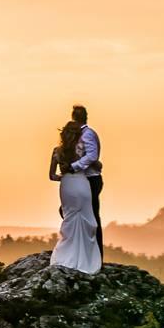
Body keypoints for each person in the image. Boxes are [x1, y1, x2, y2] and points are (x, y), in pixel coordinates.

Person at [48, 120, 102, 274]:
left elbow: (52, 176)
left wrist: (64, 178)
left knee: (69, 219)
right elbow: (97, 166)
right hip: (82, 185)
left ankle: (66, 255)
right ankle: (87, 259)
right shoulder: (82, 152)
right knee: (87, 219)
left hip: (66, 187)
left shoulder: (57, 151)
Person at [59, 105, 104, 261]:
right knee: (78, 214)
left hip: (91, 179)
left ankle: (94, 254)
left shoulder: (87, 134)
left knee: (91, 217)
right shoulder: (80, 135)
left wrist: (74, 166)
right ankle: (80, 249)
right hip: (81, 180)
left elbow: (92, 156)